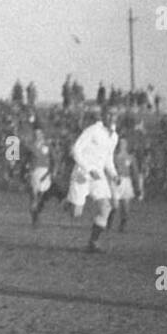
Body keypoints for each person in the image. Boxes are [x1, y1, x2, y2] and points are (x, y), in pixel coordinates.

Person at [66, 107, 120, 253]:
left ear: (116, 117)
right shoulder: (93, 130)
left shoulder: (114, 137)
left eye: (114, 114)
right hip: (82, 173)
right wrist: (88, 169)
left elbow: (108, 159)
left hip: (99, 176)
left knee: (106, 208)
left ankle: (93, 242)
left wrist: (114, 174)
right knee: (75, 214)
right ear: (104, 115)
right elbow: (75, 150)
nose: (111, 117)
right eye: (108, 113)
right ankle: (64, 198)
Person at [25, 124, 61, 226]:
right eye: (36, 134)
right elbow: (25, 159)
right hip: (34, 172)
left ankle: (37, 213)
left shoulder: (47, 145)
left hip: (45, 172)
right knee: (34, 195)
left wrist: (53, 171)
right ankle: (34, 218)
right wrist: (26, 170)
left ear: (43, 135)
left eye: (40, 133)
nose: (38, 135)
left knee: (41, 195)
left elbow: (54, 159)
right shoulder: (30, 146)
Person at [113, 135, 139, 232]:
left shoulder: (130, 157)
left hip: (126, 182)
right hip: (116, 181)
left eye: (123, 143)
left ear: (126, 145)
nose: (121, 145)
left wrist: (137, 186)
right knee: (114, 205)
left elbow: (135, 171)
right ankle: (108, 222)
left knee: (125, 206)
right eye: (120, 143)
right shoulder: (114, 157)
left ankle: (123, 225)